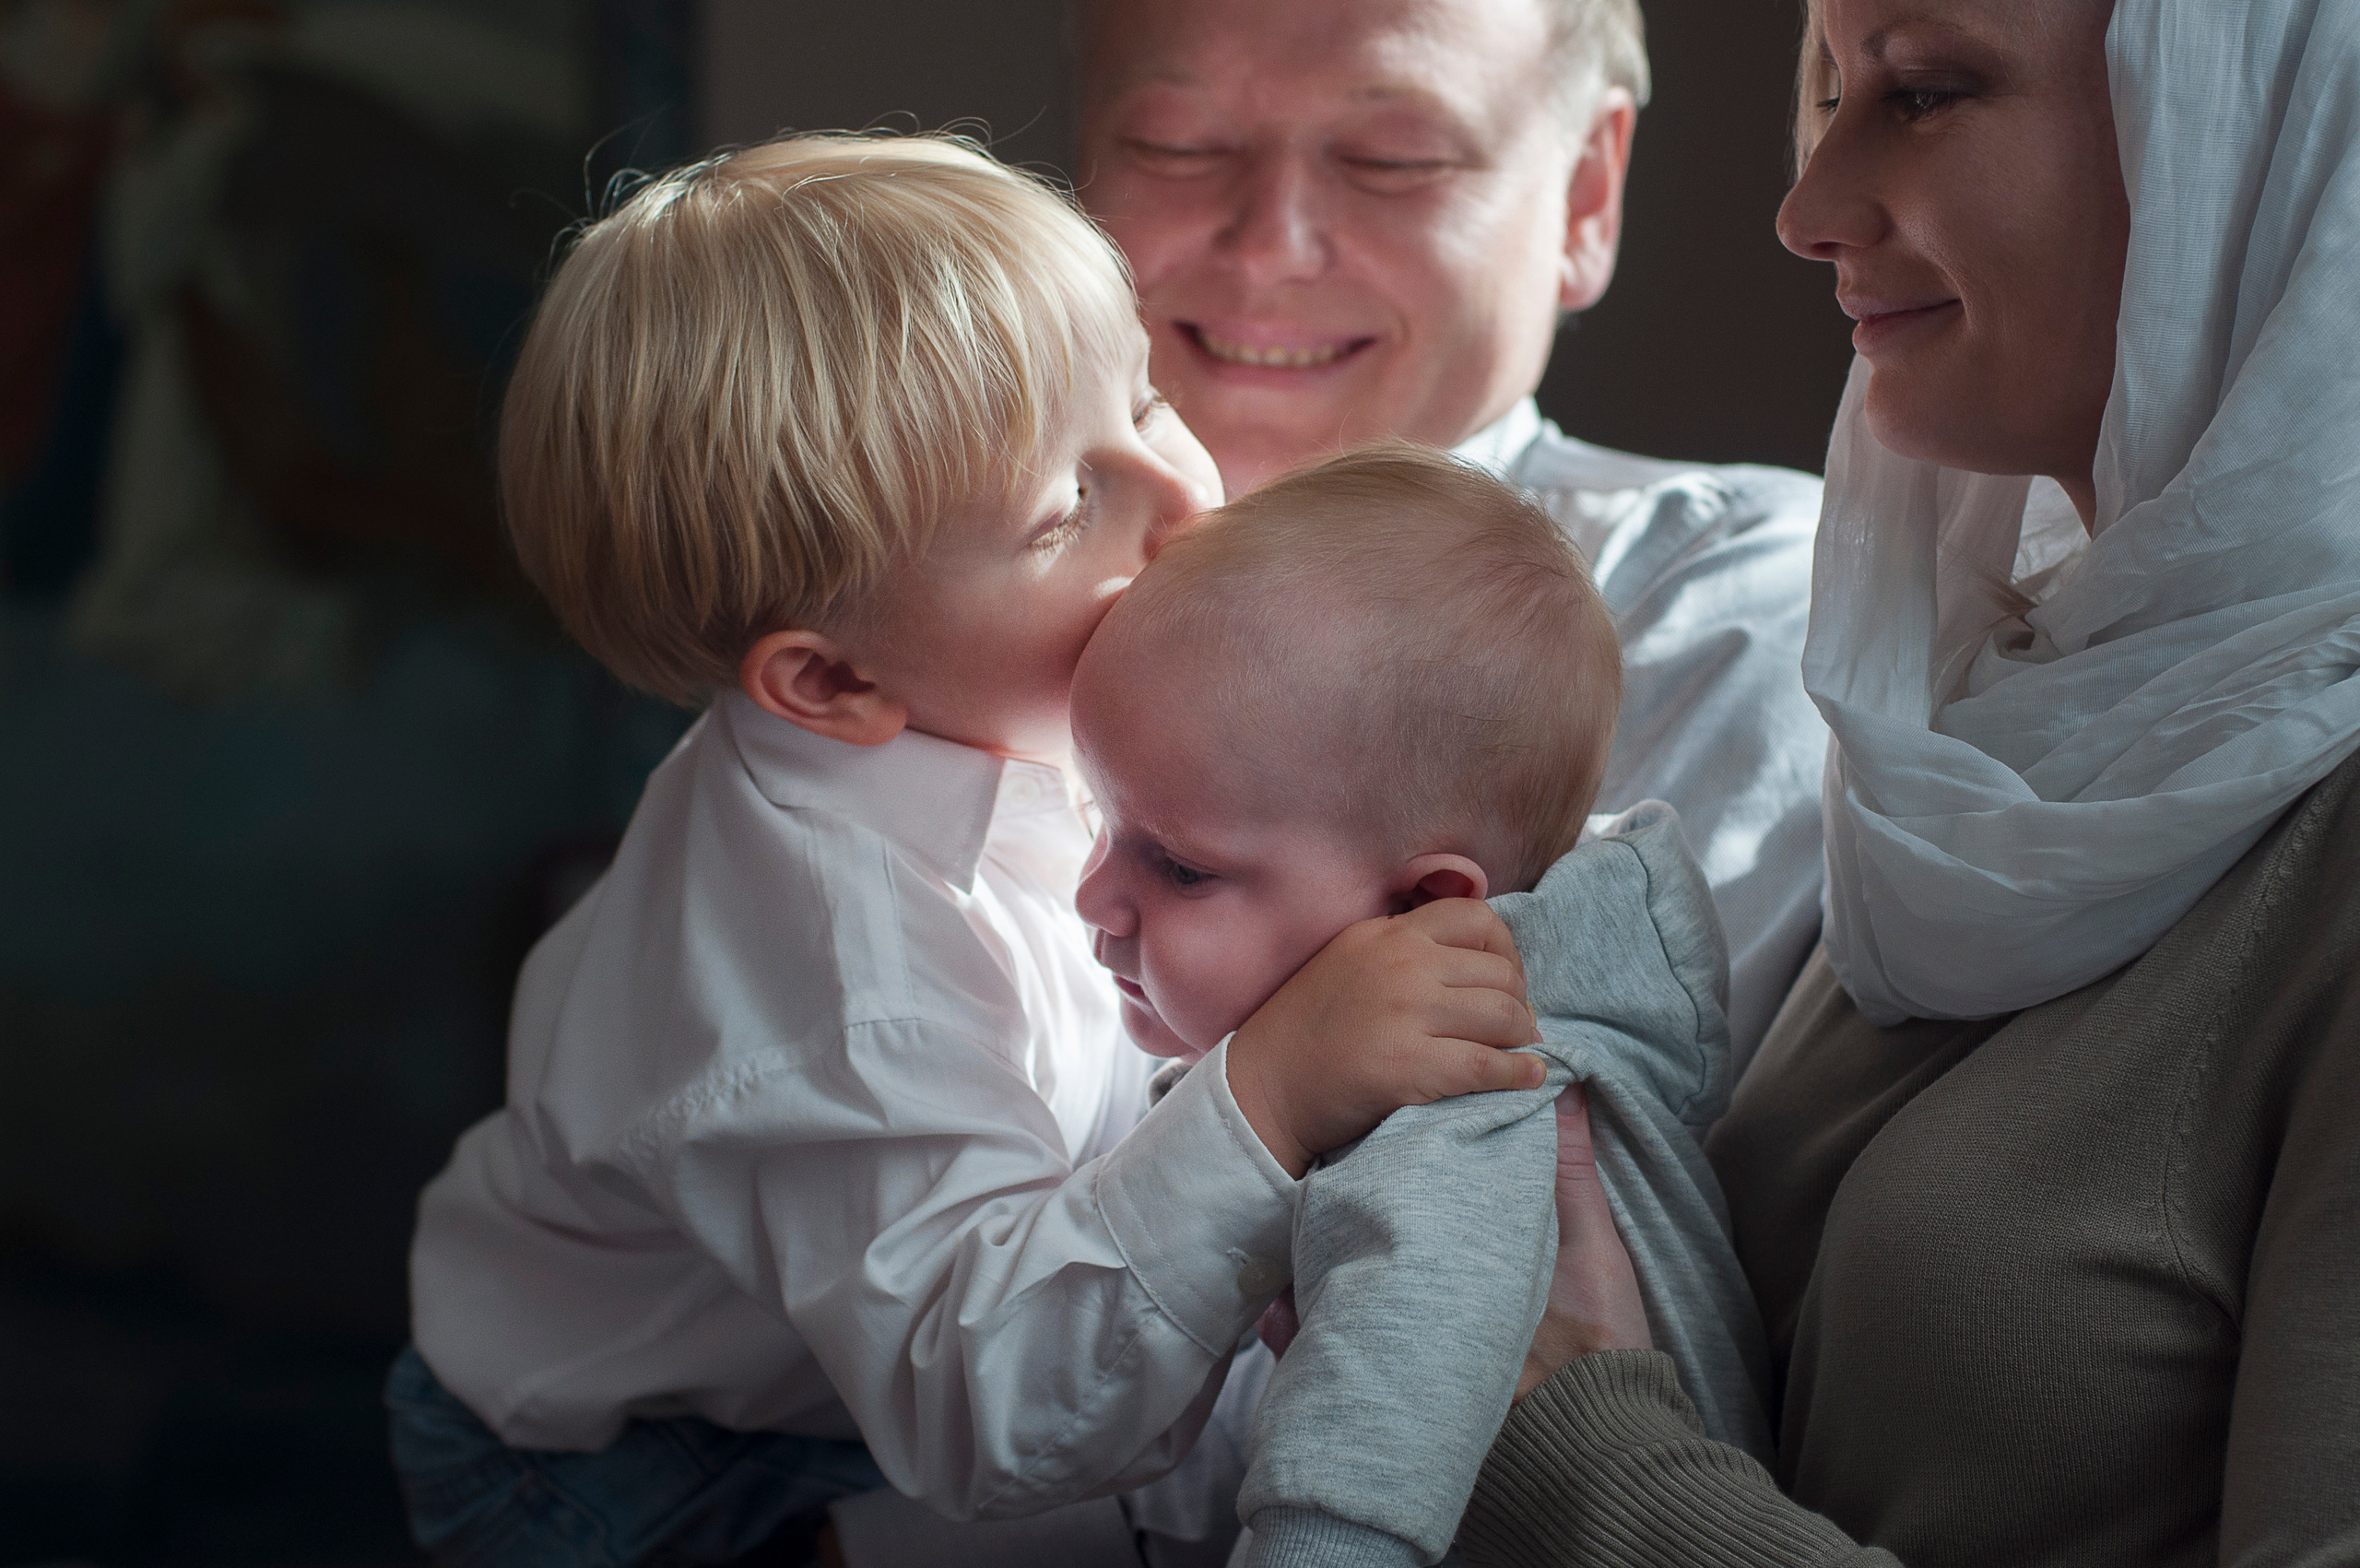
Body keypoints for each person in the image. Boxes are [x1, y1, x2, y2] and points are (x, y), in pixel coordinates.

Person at [386, 133, 1546, 1567]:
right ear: (829, 685)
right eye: (1069, 508)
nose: (1185, 498)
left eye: (1146, 398)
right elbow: (995, 1413)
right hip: (634, 1473)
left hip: (839, 1360)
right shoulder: (847, 986)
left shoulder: (985, 692)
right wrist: (1271, 1095)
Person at [1459, 0, 2360, 1560]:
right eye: (1828, 88)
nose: (1808, 210)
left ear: (2262, 129)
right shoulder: (2004, 719)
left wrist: (1584, 1444)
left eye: (1927, 92)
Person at [1076, 0, 1829, 1067]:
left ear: (1584, 197)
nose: (1269, 244)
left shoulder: (1737, 603)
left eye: (1393, 159)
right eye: (1174, 144)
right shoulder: (913, 603)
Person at [1069, 445, 1774, 1567]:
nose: (1093, 896)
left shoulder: (1462, 1105)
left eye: (1179, 867)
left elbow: (1357, 1476)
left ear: (1419, 905)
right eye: (1100, 824)